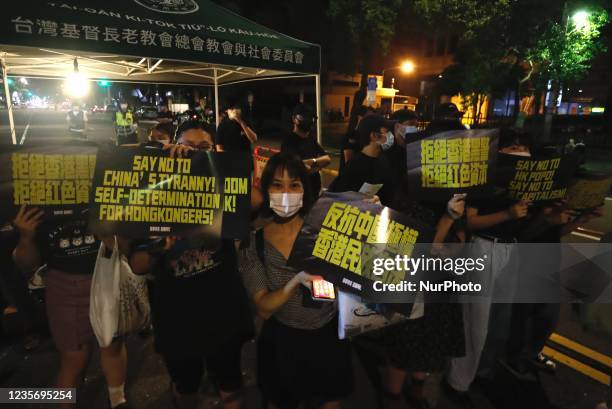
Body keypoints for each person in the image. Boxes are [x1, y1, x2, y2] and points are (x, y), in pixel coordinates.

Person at [127, 121, 254, 409]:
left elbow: (256, 202)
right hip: (177, 318)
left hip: (223, 311)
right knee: (186, 388)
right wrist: (156, 248)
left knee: (230, 384)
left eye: (203, 148)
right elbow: (138, 264)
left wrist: (219, 165)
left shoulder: (221, 183)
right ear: (172, 146)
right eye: (187, 146)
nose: (194, 153)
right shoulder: (152, 192)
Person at [239, 153, 353, 409]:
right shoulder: (254, 243)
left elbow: (360, 273)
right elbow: (264, 309)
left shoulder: (324, 230)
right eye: (277, 185)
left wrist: (371, 218)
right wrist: (295, 282)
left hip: (329, 335)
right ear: (266, 189)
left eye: (294, 185)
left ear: (305, 189)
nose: (286, 193)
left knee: (330, 400)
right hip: (283, 340)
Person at [12, 206, 130, 409]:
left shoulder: (104, 184)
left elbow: (126, 248)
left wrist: (114, 235)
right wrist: (26, 237)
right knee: (74, 362)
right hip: (65, 287)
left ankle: (117, 399)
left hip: (109, 276)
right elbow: (26, 262)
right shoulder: (35, 202)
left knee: (113, 346)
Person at [381, 190, 467, 409]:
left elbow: (461, 240)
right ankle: (393, 398)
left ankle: (417, 388)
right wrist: (447, 220)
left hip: (439, 285)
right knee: (403, 345)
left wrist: (452, 250)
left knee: (429, 341)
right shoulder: (407, 200)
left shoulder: (454, 198)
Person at [330, 115, 396, 205]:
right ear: (373, 136)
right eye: (387, 132)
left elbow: (388, 192)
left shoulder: (383, 160)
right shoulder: (354, 165)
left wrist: (379, 199)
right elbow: (339, 198)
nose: (391, 136)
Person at [280, 105, 331, 196]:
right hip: (296, 193)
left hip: (314, 190)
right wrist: (315, 163)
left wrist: (311, 164)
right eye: (304, 117)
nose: (308, 121)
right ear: (294, 119)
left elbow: (327, 159)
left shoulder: (311, 139)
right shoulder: (288, 141)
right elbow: (294, 167)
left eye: (311, 118)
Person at [385, 109, 420, 180]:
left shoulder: (414, 146)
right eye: (410, 124)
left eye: (416, 125)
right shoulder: (388, 149)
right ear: (397, 126)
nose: (414, 128)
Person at [339, 105, 375, 171]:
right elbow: (349, 164)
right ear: (360, 118)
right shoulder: (351, 135)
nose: (372, 121)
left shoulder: (372, 137)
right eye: (369, 118)